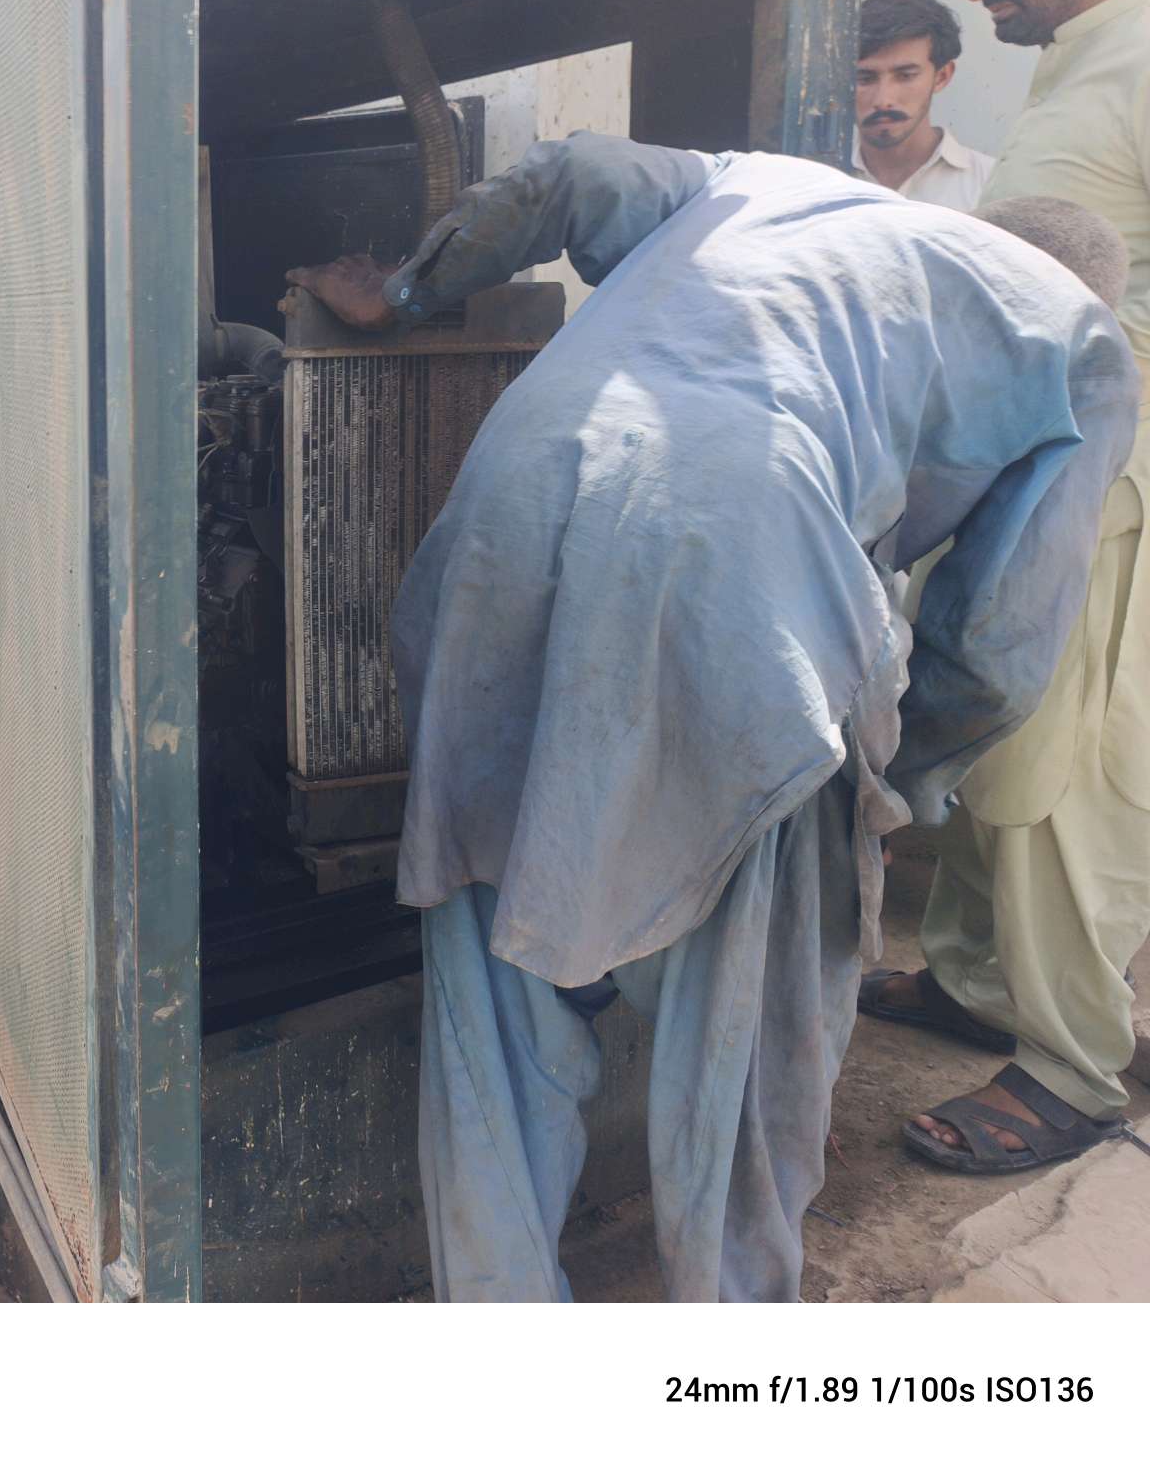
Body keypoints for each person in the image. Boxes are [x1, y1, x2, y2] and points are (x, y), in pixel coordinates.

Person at [288, 133, 1137, 1300]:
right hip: (746, 579)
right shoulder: (1082, 339)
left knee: (496, 987)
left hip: (501, 521)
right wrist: (894, 791)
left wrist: (403, 291)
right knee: (743, 1057)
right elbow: (993, 647)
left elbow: (571, 174)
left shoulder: (763, 182)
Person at [861, 0, 1150, 1174]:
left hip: (1105, 483)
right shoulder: (1080, 66)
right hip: (1028, 467)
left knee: (1059, 774)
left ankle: (1074, 1067)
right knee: (986, 735)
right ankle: (975, 980)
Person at [852, 0, 996, 209]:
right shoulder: (815, 181)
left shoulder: (989, 186)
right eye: (865, 78)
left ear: (941, 77)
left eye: (905, 76)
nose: (883, 99)